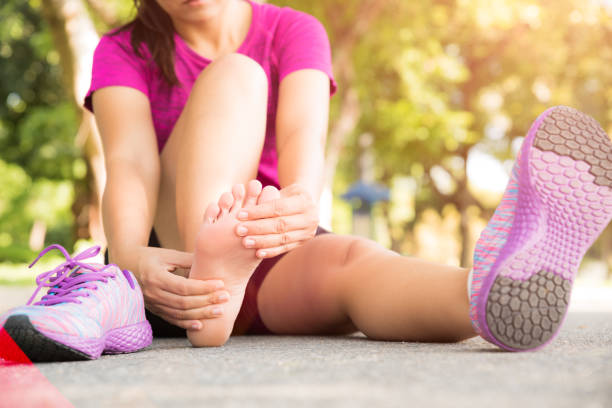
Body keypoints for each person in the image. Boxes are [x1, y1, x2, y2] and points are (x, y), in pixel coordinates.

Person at [85, 0, 611, 351]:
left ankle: (485, 295)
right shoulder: (121, 49)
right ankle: (213, 269)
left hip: (263, 243)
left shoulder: (293, 30)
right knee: (237, 74)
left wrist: (298, 208)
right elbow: (130, 162)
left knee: (353, 261)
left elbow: (302, 136)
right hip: (178, 260)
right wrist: (128, 261)